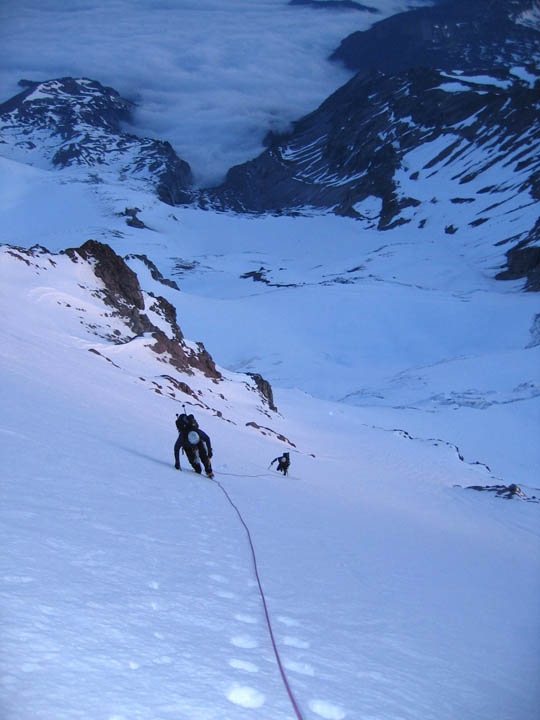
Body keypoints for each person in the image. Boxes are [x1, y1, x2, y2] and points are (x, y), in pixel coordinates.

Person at [174, 413, 214, 478]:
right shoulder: (182, 437)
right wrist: (177, 462)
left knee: (204, 456)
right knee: (194, 461)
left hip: (199, 442)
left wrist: (209, 452)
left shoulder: (198, 432)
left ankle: (209, 471)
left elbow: (207, 438)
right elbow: (176, 448)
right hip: (187, 446)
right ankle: (198, 469)